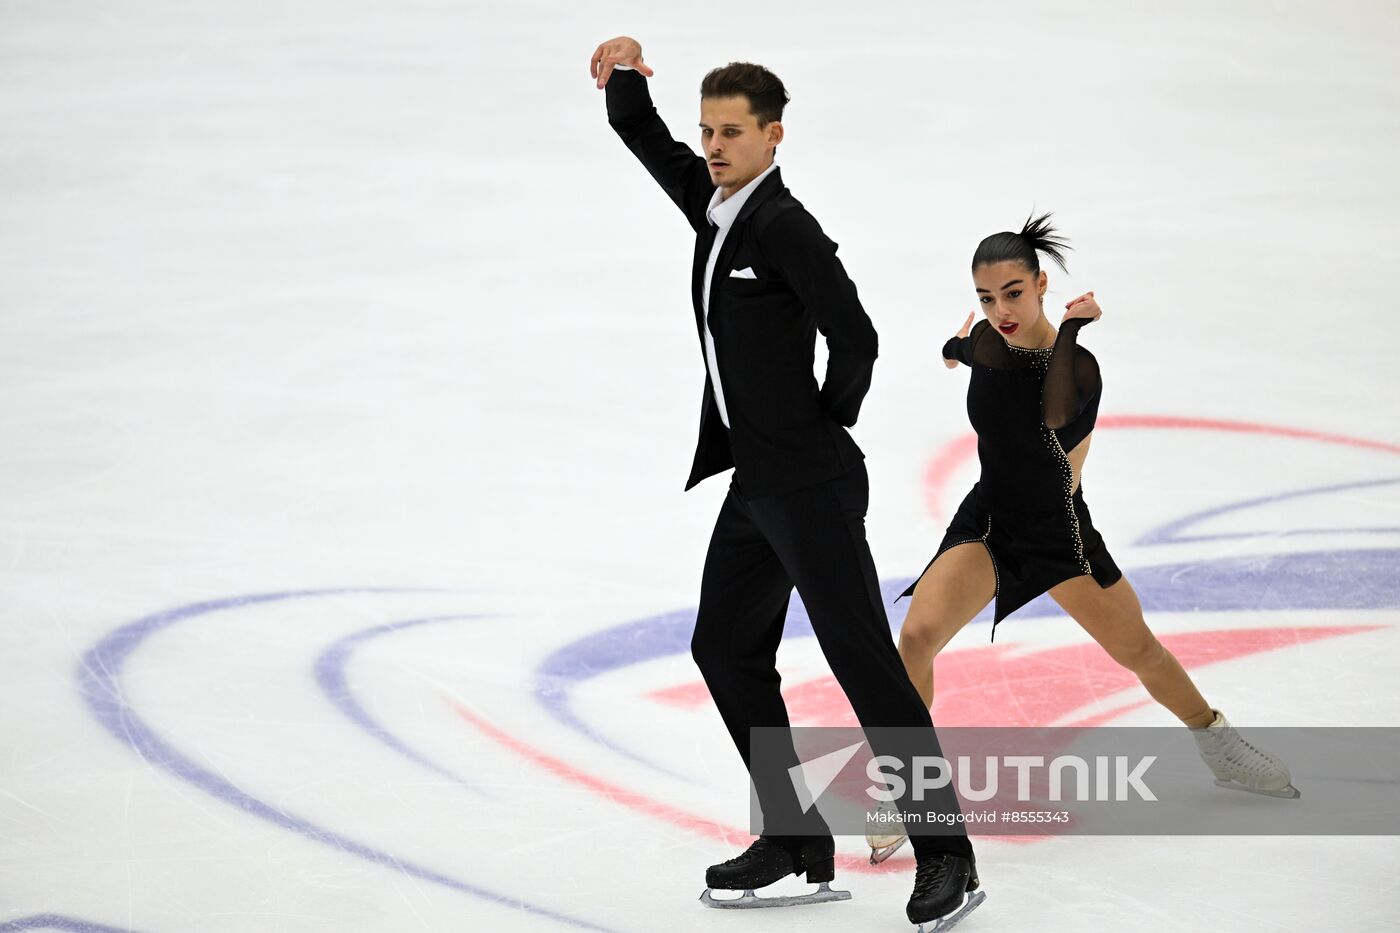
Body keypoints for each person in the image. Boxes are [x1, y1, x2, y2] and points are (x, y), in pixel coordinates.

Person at [591, 35, 985, 931]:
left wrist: (822, 422)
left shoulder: (783, 226)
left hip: (804, 481)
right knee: (724, 648)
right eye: (707, 131)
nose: (715, 146)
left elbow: (858, 337)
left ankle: (947, 854)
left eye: (733, 131)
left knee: (863, 662)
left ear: (774, 136)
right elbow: (646, 141)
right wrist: (621, 75)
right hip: (758, 485)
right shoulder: (717, 204)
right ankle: (796, 837)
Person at [865, 212, 1298, 863]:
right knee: (917, 637)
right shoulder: (988, 338)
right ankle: (909, 786)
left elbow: (1052, 411)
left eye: (1013, 292)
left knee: (1140, 651)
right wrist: (953, 349)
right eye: (986, 297)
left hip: (1058, 533)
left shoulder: (1081, 368)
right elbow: (971, 352)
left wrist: (1069, 328)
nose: (1000, 309)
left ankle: (1218, 741)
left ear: (1041, 282)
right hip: (987, 521)